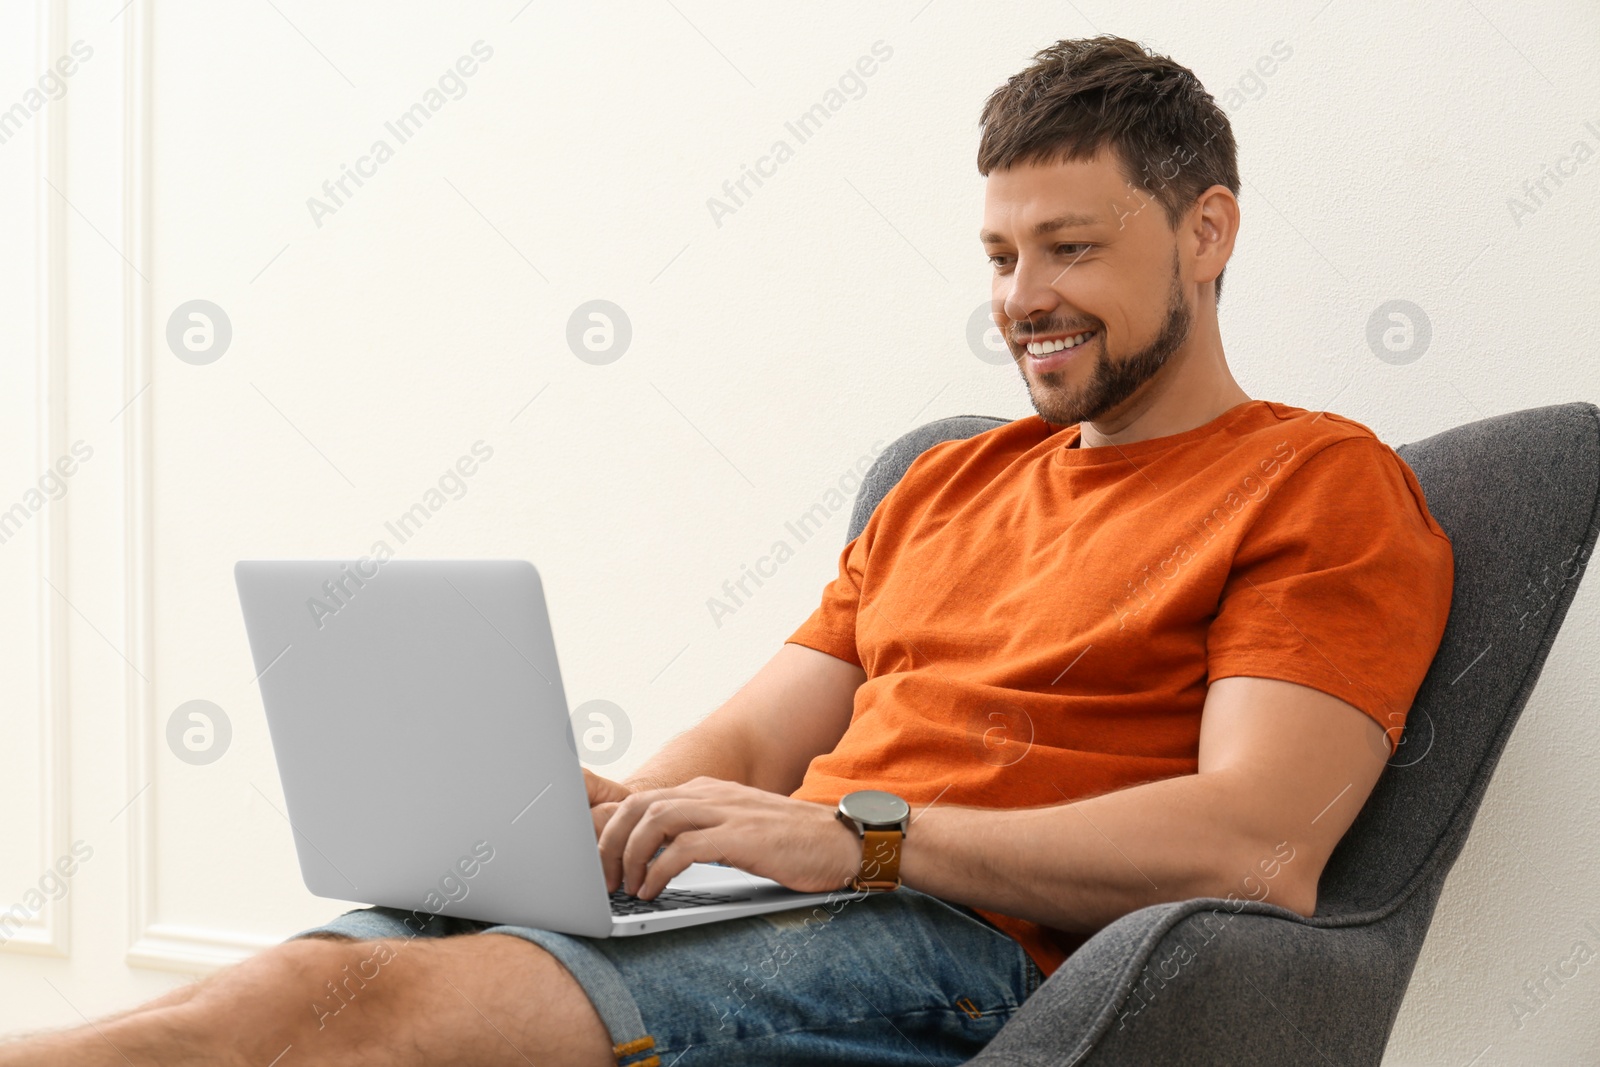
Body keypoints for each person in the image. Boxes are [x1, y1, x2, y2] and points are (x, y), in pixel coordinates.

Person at [1, 33, 1453, 1067]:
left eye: (1070, 249)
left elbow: (1259, 847)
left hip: (956, 949)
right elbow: (761, 740)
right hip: (794, 897)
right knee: (244, 1004)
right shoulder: (951, 482)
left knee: (345, 1029)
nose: (1025, 298)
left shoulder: (1317, 484)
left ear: (1208, 232)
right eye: (1001, 257)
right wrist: (610, 820)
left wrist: (866, 842)